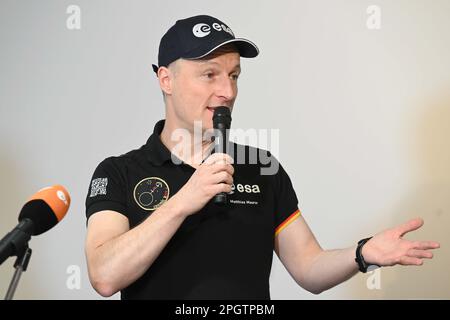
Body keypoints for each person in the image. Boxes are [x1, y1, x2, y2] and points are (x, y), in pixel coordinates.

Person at [85, 14, 440, 299]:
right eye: (209, 74)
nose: (227, 91)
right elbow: (104, 276)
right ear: (166, 79)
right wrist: (183, 201)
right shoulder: (119, 172)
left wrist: (362, 255)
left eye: (234, 75)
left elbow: (308, 268)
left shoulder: (262, 168)